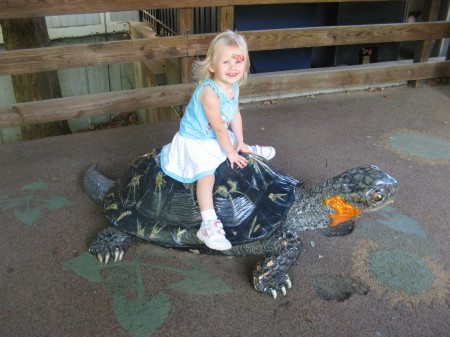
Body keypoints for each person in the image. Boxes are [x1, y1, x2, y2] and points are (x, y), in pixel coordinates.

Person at [161, 30, 276, 250]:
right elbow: (219, 128)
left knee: (233, 144)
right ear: (212, 66)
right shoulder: (209, 93)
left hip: (214, 135)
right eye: (226, 62)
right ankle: (208, 224)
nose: (233, 68)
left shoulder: (233, 86)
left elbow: (235, 115)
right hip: (195, 140)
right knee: (206, 176)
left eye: (239, 61)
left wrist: (240, 143)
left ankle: (248, 148)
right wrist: (230, 152)